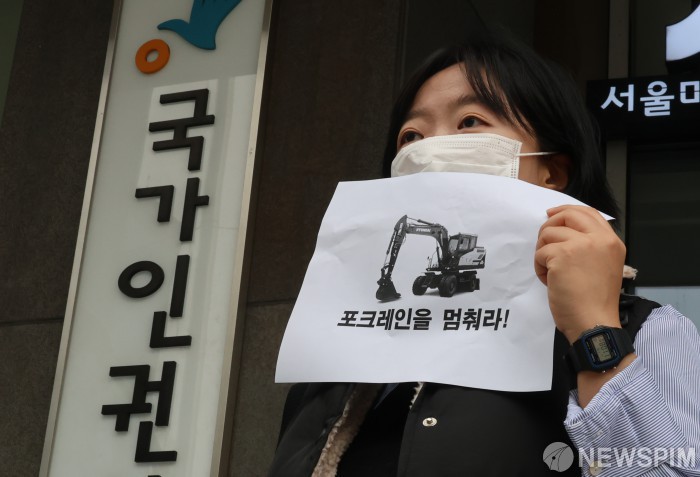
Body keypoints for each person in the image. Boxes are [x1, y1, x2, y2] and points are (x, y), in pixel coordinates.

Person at [268, 32, 700, 477]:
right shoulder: (339, 351)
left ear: (552, 172)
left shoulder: (645, 330)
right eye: (411, 135)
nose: (428, 150)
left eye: (470, 121)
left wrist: (596, 334)